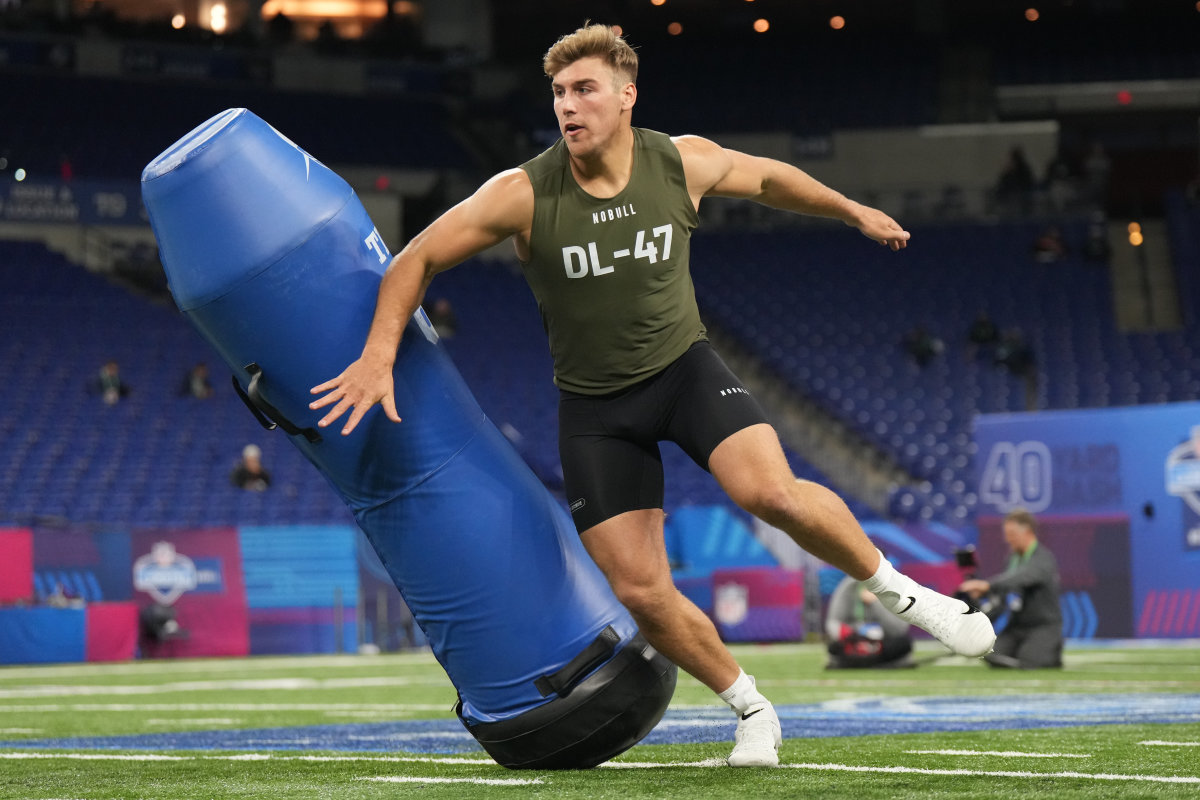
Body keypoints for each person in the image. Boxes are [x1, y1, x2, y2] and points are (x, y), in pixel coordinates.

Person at [308, 23, 995, 768]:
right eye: (559, 93)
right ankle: (752, 709)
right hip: (597, 411)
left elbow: (769, 180)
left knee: (770, 493)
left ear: (626, 96)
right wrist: (378, 356)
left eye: (584, 90)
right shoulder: (523, 193)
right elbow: (415, 259)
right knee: (639, 589)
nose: (567, 106)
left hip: (684, 373)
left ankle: (906, 596)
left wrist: (852, 211)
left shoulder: (679, 161)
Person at [959, 509, 1063, 669]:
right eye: (1007, 534)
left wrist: (988, 586)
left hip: (1043, 626)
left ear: (1028, 532)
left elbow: (1024, 576)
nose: (1008, 539)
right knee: (991, 654)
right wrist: (979, 618)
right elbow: (1002, 597)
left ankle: (1050, 652)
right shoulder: (1011, 560)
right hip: (1017, 626)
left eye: (1012, 534)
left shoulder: (1043, 559)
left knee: (1031, 661)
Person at [824, 574, 913, 670]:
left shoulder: (892, 587)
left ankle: (857, 661)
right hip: (856, 642)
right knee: (834, 647)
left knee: (903, 643)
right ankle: (871, 660)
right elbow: (833, 623)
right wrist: (853, 635)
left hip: (881, 643)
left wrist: (875, 602)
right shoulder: (848, 586)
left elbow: (898, 630)